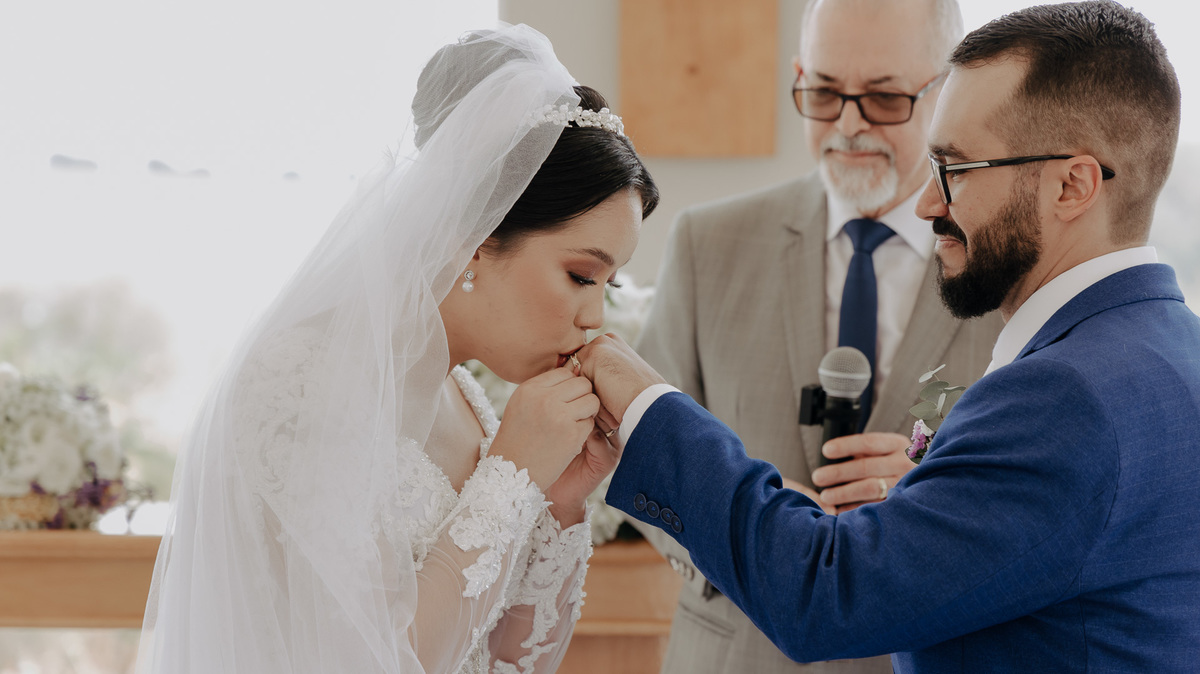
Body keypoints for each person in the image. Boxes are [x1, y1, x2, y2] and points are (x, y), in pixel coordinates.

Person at [579, 1, 1200, 670]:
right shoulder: (1173, 347)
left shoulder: (1062, 395)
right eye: (824, 91)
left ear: (1073, 184)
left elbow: (831, 593)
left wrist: (645, 404)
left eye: (956, 170)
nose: (930, 203)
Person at [136, 25, 655, 674]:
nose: (595, 318)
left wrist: (559, 499)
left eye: (612, 283)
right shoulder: (302, 380)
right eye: (581, 275)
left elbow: (505, 664)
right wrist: (514, 473)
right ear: (478, 232)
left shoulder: (464, 397)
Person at [632, 0, 1001, 671]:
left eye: (885, 99)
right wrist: (748, 537)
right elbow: (636, 450)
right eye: (825, 93)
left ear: (947, 90)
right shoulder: (705, 244)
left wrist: (928, 492)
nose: (850, 126)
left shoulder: (1005, 271)